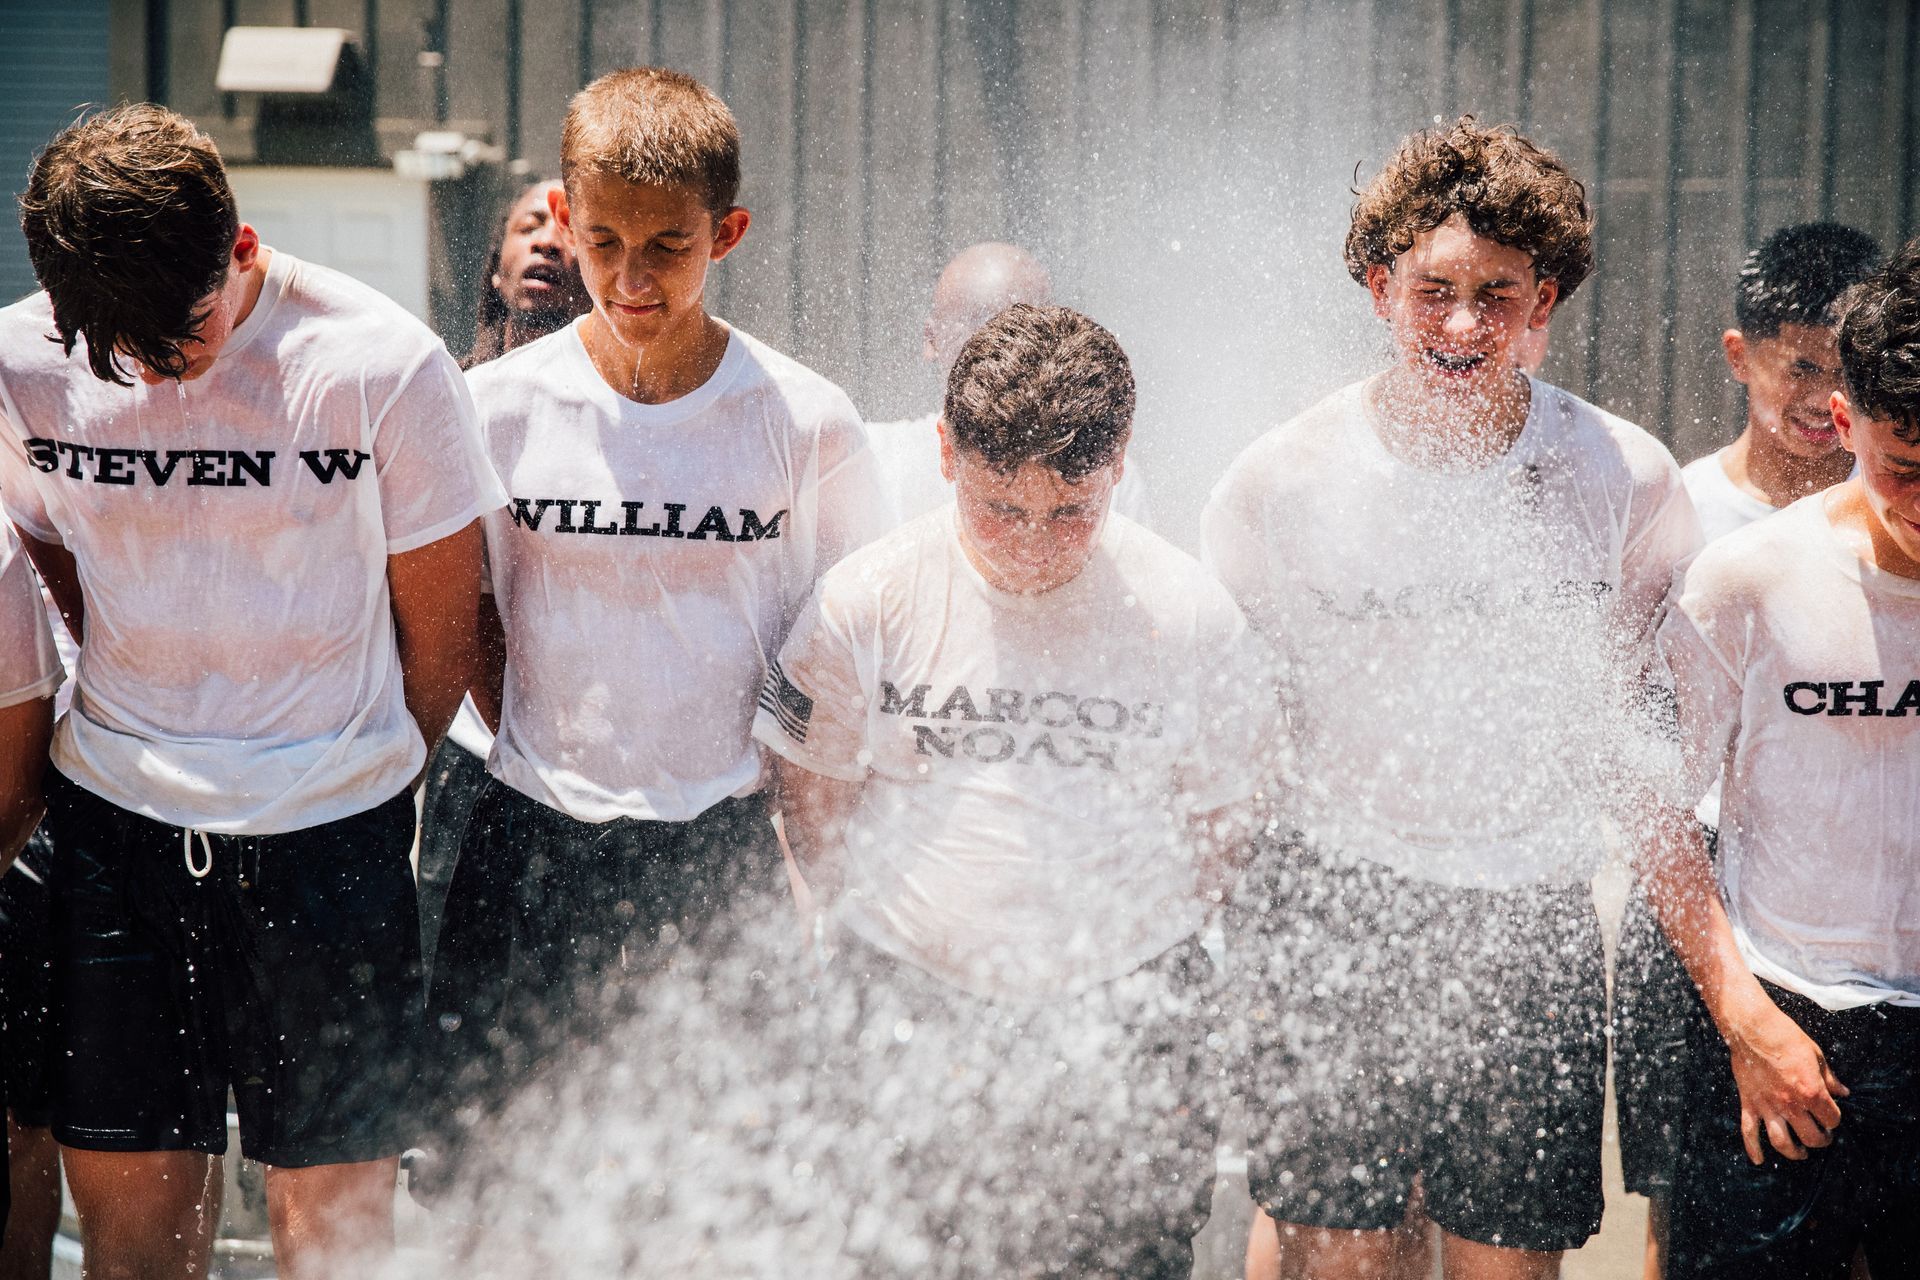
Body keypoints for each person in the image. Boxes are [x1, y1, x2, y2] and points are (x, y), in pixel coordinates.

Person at [0, 104, 502, 1278]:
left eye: (181, 330)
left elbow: (438, 642)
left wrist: (333, 772)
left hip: (331, 843)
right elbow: (49, 561)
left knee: (332, 1244)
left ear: (243, 247)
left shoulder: (378, 361)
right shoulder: (21, 367)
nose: (160, 368)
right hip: (116, 833)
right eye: (117, 349)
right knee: (133, 1249)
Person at [1205, 117, 1700, 1279]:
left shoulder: (1626, 475)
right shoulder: (1281, 479)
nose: (1465, 325)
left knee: (1511, 1265)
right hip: (1336, 895)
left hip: (1531, 909)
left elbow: (1631, 723)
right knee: (1344, 1258)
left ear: (1546, 301)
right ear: (1380, 287)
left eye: (1498, 293)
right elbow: (1234, 725)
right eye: (1434, 290)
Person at [420, 66, 889, 1215]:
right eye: (606, 243)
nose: (633, 279)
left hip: (717, 845)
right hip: (529, 839)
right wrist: (547, 740)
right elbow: (473, 620)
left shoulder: (806, 417)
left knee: (710, 1188)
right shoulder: (498, 405)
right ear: (569, 223)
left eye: (669, 246)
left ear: (726, 232)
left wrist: (795, 831)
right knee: (498, 1184)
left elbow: (831, 649)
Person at [759, 303, 1277, 1277]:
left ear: (1120, 461)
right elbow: (813, 817)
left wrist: (1105, 961)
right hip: (913, 1001)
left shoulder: (1196, 620)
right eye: (1001, 507)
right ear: (947, 452)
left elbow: (1221, 835)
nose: (1034, 541)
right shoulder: (864, 602)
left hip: (1127, 1013)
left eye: (1070, 510)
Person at [1643, 239, 1920, 1279]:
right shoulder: (1747, 575)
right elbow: (1656, 807)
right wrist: (1744, 1017)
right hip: (1783, 1014)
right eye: (1907, 468)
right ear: (1848, 424)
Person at [418, 177, 592, 973]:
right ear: (495, 268)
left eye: (566, 230)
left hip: (580, 755)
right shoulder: (449, 395)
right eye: (529, 226)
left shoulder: (627, 416)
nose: (549, 242)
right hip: (470, 743)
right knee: (459, 975)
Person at [866, 242, 1148, 524]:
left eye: (1025, 327)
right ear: (931, 338)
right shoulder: (874, 457)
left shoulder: (1100, 471)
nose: (1003, 347)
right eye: (979, 322)